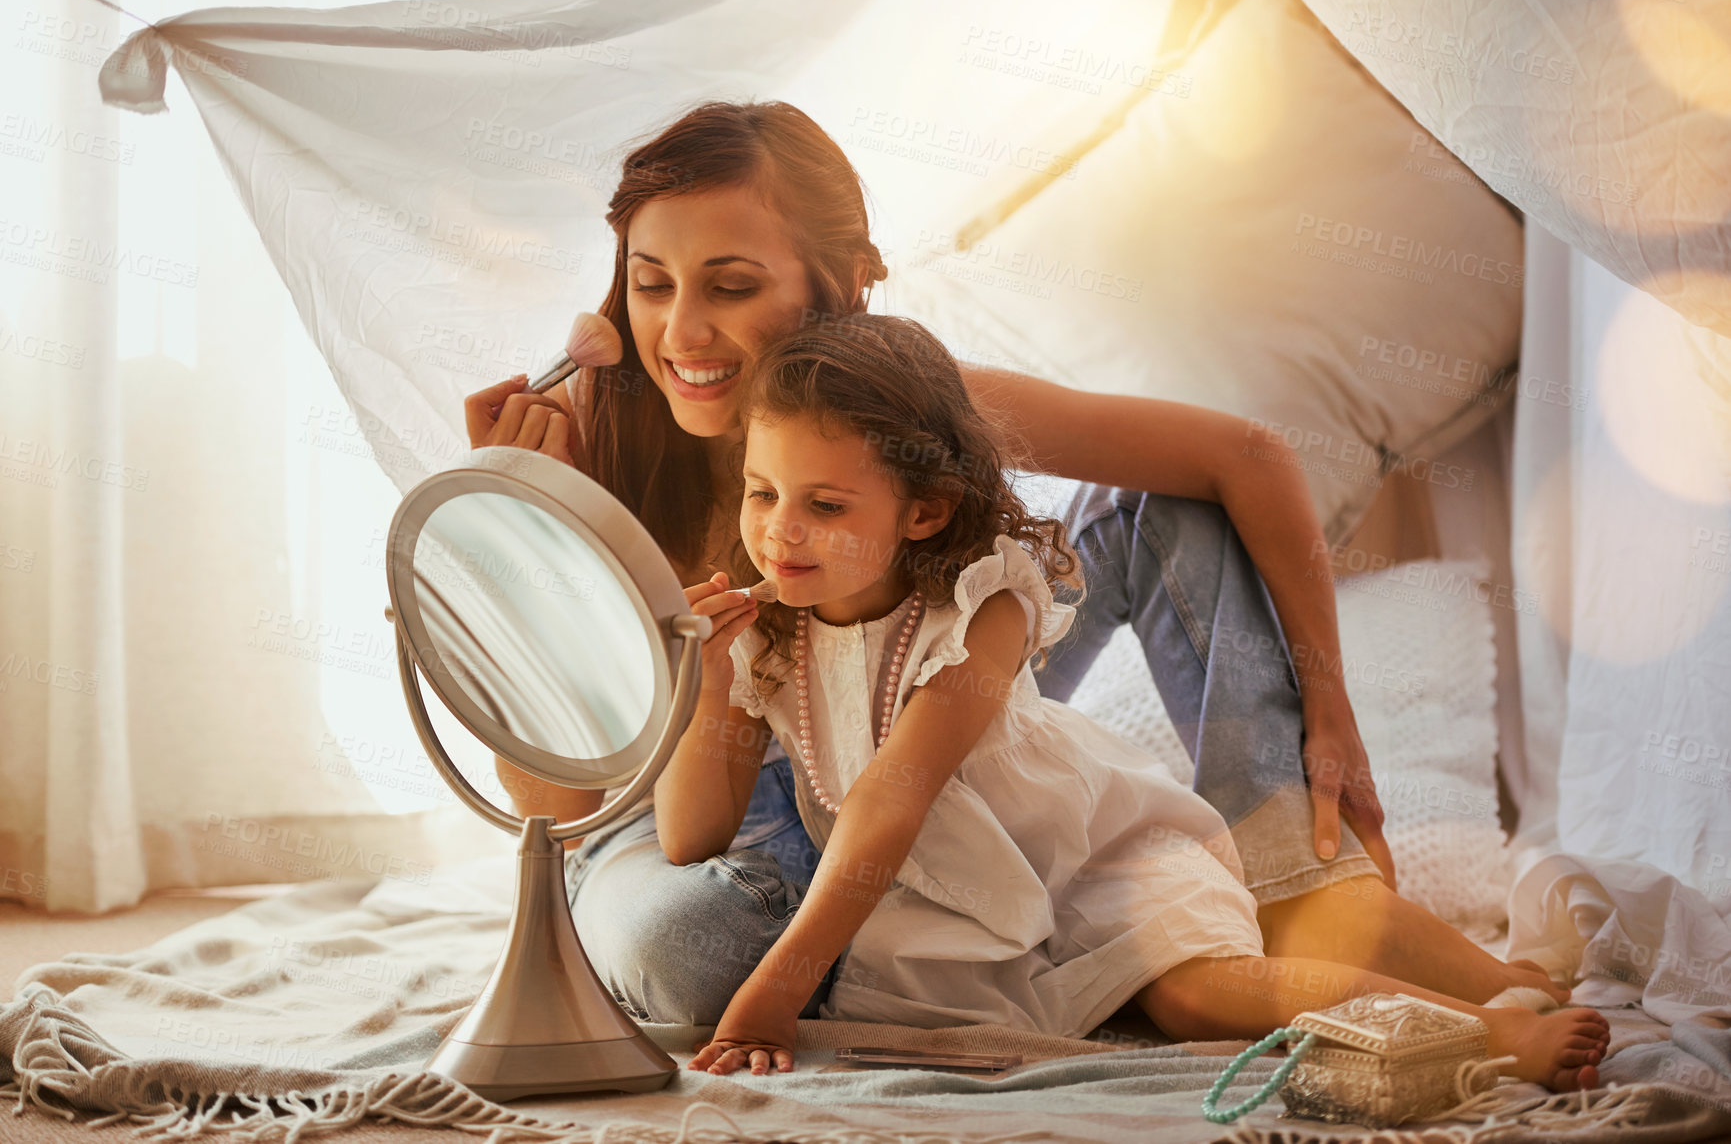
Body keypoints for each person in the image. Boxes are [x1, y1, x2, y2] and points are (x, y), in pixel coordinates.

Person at [461, 99, 1564, 1033]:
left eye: (731, 285)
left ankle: (1290, 876)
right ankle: (1019, 954)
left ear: (840, 287)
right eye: (651, 284)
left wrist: (1330, 709)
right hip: (710, 827)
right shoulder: (585, 446)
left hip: (909, 720)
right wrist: (515, 533)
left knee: (1159, 505)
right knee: (691, 955)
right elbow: (550, 803)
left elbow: (1243, 454)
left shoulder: (912, 407)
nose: (683, 333)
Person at [668, 312, 1608, 1087]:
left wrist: (772, 991)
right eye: (761, 492)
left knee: (1194, 996)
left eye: (824, 506)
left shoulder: (979, 604)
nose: (778, 530)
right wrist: (706, 688)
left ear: (924, 511)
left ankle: (1495, 1030)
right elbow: (690, 837)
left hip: (1091, 863)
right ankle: (1509, 982)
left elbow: (891, 799)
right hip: (961, 910)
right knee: (1137, 1007)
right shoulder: (766, 632)